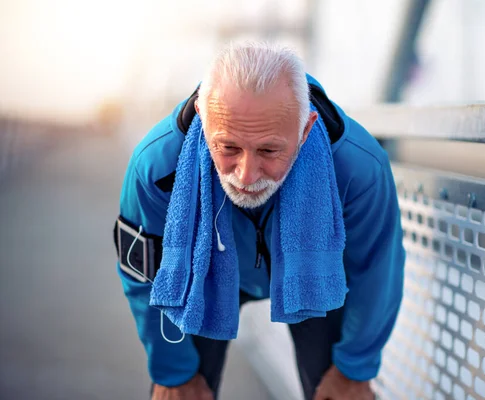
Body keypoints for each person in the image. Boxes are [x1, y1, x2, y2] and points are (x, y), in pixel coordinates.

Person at [114, 41, 405, 400]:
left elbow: (377, 271)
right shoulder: (156, 165)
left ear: (306, 129)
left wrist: (354, 368)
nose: (247, 175)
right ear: (205, 124)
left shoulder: (360, 167)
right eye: (229, 148)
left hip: (314, 268)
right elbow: (143, 274)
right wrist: (172, 371)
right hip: (202, 271)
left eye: (268, 150)